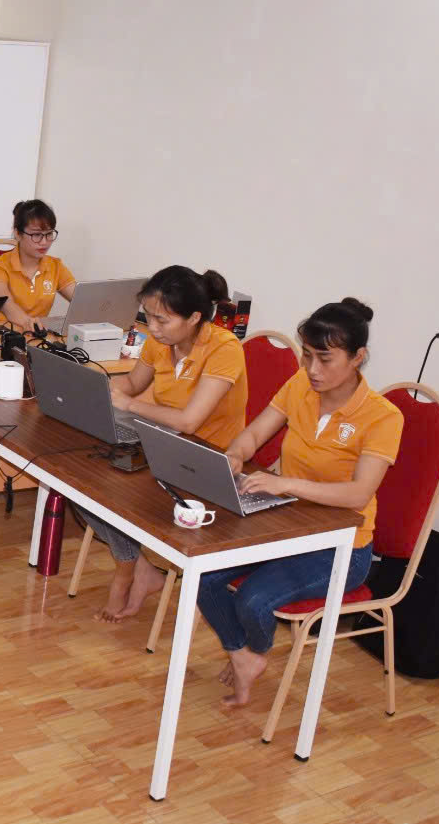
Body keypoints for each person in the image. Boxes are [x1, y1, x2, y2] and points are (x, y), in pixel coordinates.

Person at [199, 298, 400, 708]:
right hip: (287, 525)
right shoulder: (300, 386)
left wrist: (284, 483)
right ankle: (243, 655)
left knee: (253, 599)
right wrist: (236, 454)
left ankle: (255, 652)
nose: (312, 369)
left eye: (325, 359)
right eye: (307, 355)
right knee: (205, 576)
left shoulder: (382, 416)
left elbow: (358, 494)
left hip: (342, 548)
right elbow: (255, 435)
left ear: (358, 357)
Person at [82, 266, 249, 622]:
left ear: (194, 318)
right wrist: (94, 387)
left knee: (103, 490)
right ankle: (140, 567)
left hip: (206, 461)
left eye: (162, 319)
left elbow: (189, 422)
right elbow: (132, 384)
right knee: (75, 479)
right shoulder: (160, 342)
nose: (153, 328)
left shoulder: (224, 349)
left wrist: (130, 406)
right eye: (148, 316)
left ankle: (128, 569)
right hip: (162, 445)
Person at [0, 199, 76, 329]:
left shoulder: (56, 266)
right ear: (18, 233)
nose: (44, 242)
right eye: (36, 234)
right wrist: (30, 323)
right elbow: (8, 306)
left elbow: (81, 300)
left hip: (35, 335)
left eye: (49, 234)